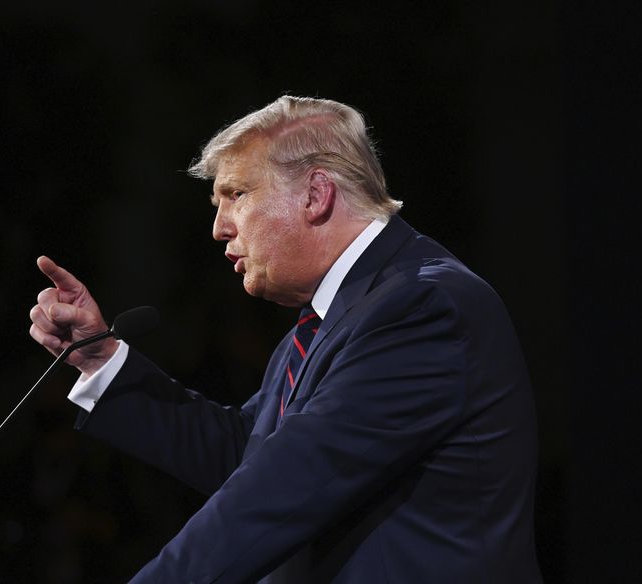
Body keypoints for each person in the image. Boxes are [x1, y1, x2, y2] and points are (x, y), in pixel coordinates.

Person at [29, 96, 542, 583]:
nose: (218, 227)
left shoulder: (421, 308)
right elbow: (248, 456)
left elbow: (281, 489)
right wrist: (100, 358)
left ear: (316, 195)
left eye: (237, 194)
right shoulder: (338, 315)